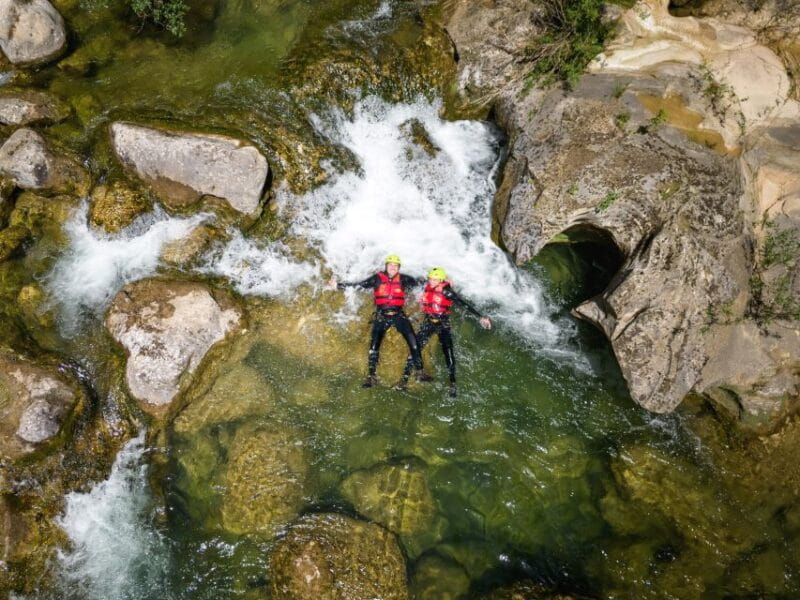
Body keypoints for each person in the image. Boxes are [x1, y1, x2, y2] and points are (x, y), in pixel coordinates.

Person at [328, 254, 432, 388]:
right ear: (386, 266)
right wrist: (337, 285)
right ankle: (371, 377)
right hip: (381, 316)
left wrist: (440, 282)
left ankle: (420, 372)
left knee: (414, 344)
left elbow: (421, 283)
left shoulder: (404, 279)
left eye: (396, 266)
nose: (393, 267)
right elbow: (359, 284)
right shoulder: (376, 279)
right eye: (390, 265)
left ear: (399, 268)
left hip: (399, 316)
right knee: (373, 348)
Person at [399, 267, 491, 397]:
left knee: (448, 352)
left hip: (443, 324)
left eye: (435, 279)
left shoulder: (447, 292)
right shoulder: (427, 286)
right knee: (415, 350)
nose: (431, 280)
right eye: (430, 278)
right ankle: (403, 381)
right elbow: (411, 280)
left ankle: (452, 384)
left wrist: (481, 317)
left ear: (441, 280)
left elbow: (463, 304)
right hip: (428, 322)